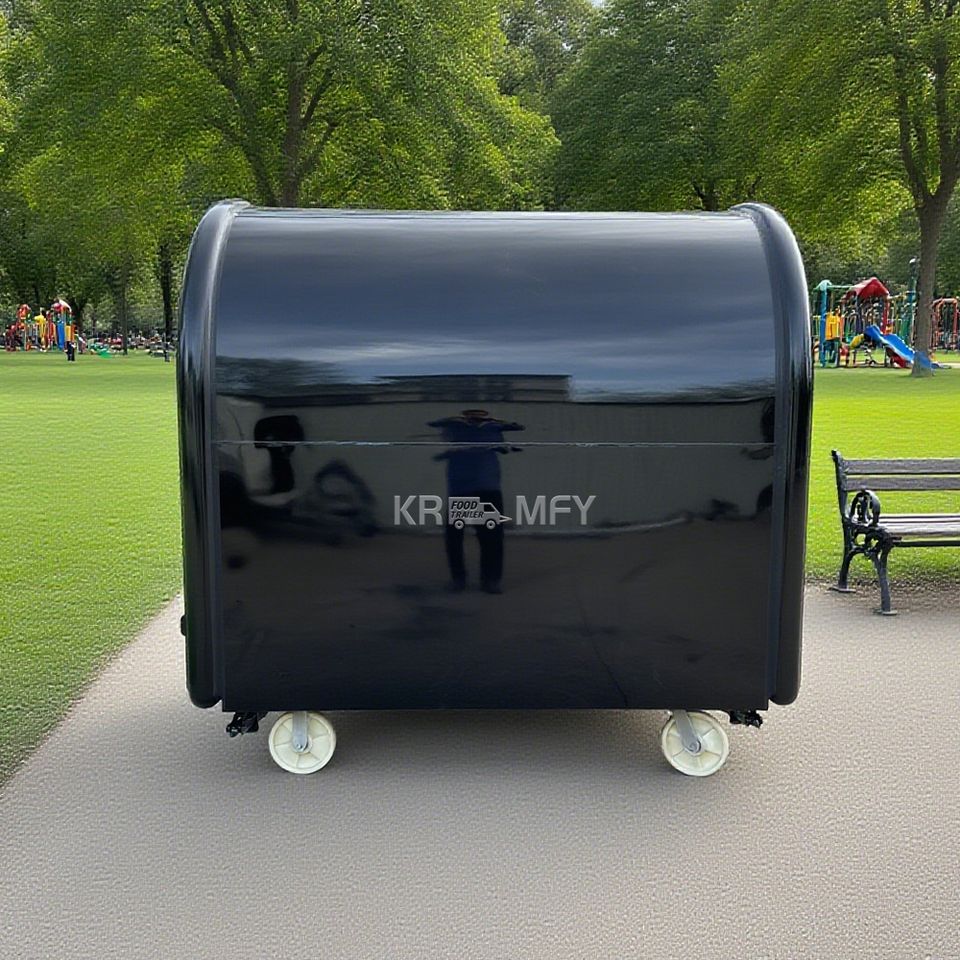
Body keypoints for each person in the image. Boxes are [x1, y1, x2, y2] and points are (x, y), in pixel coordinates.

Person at [429, 409, 524, 594]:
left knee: (491, 538)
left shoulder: (492, 428)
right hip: (463, 489)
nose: (475, 418)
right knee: (455, 538)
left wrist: (498, 426)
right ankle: (460, 579)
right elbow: (436, 428)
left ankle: (490, 580)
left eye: (479, 415)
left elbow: (510, 440)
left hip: (485, 488)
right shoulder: (456, 426)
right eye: (471, 415)